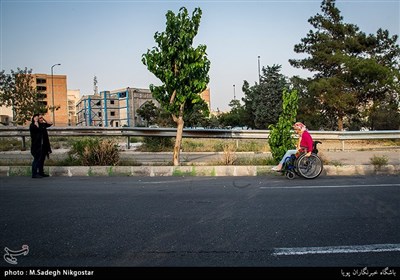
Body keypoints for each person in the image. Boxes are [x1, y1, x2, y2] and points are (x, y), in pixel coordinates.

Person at [29, 113, 52, 178]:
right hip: (37, 146)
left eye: (42, 118)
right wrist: (36, 121)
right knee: (36, 159)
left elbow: (50, 123)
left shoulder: (43, 125)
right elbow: (37, 128)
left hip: (44, 145)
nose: (41, 119)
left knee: (42, 159)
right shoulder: (32, 125)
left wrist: (43, 118)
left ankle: (41, 172)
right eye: (40, 118)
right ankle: (34, 173)